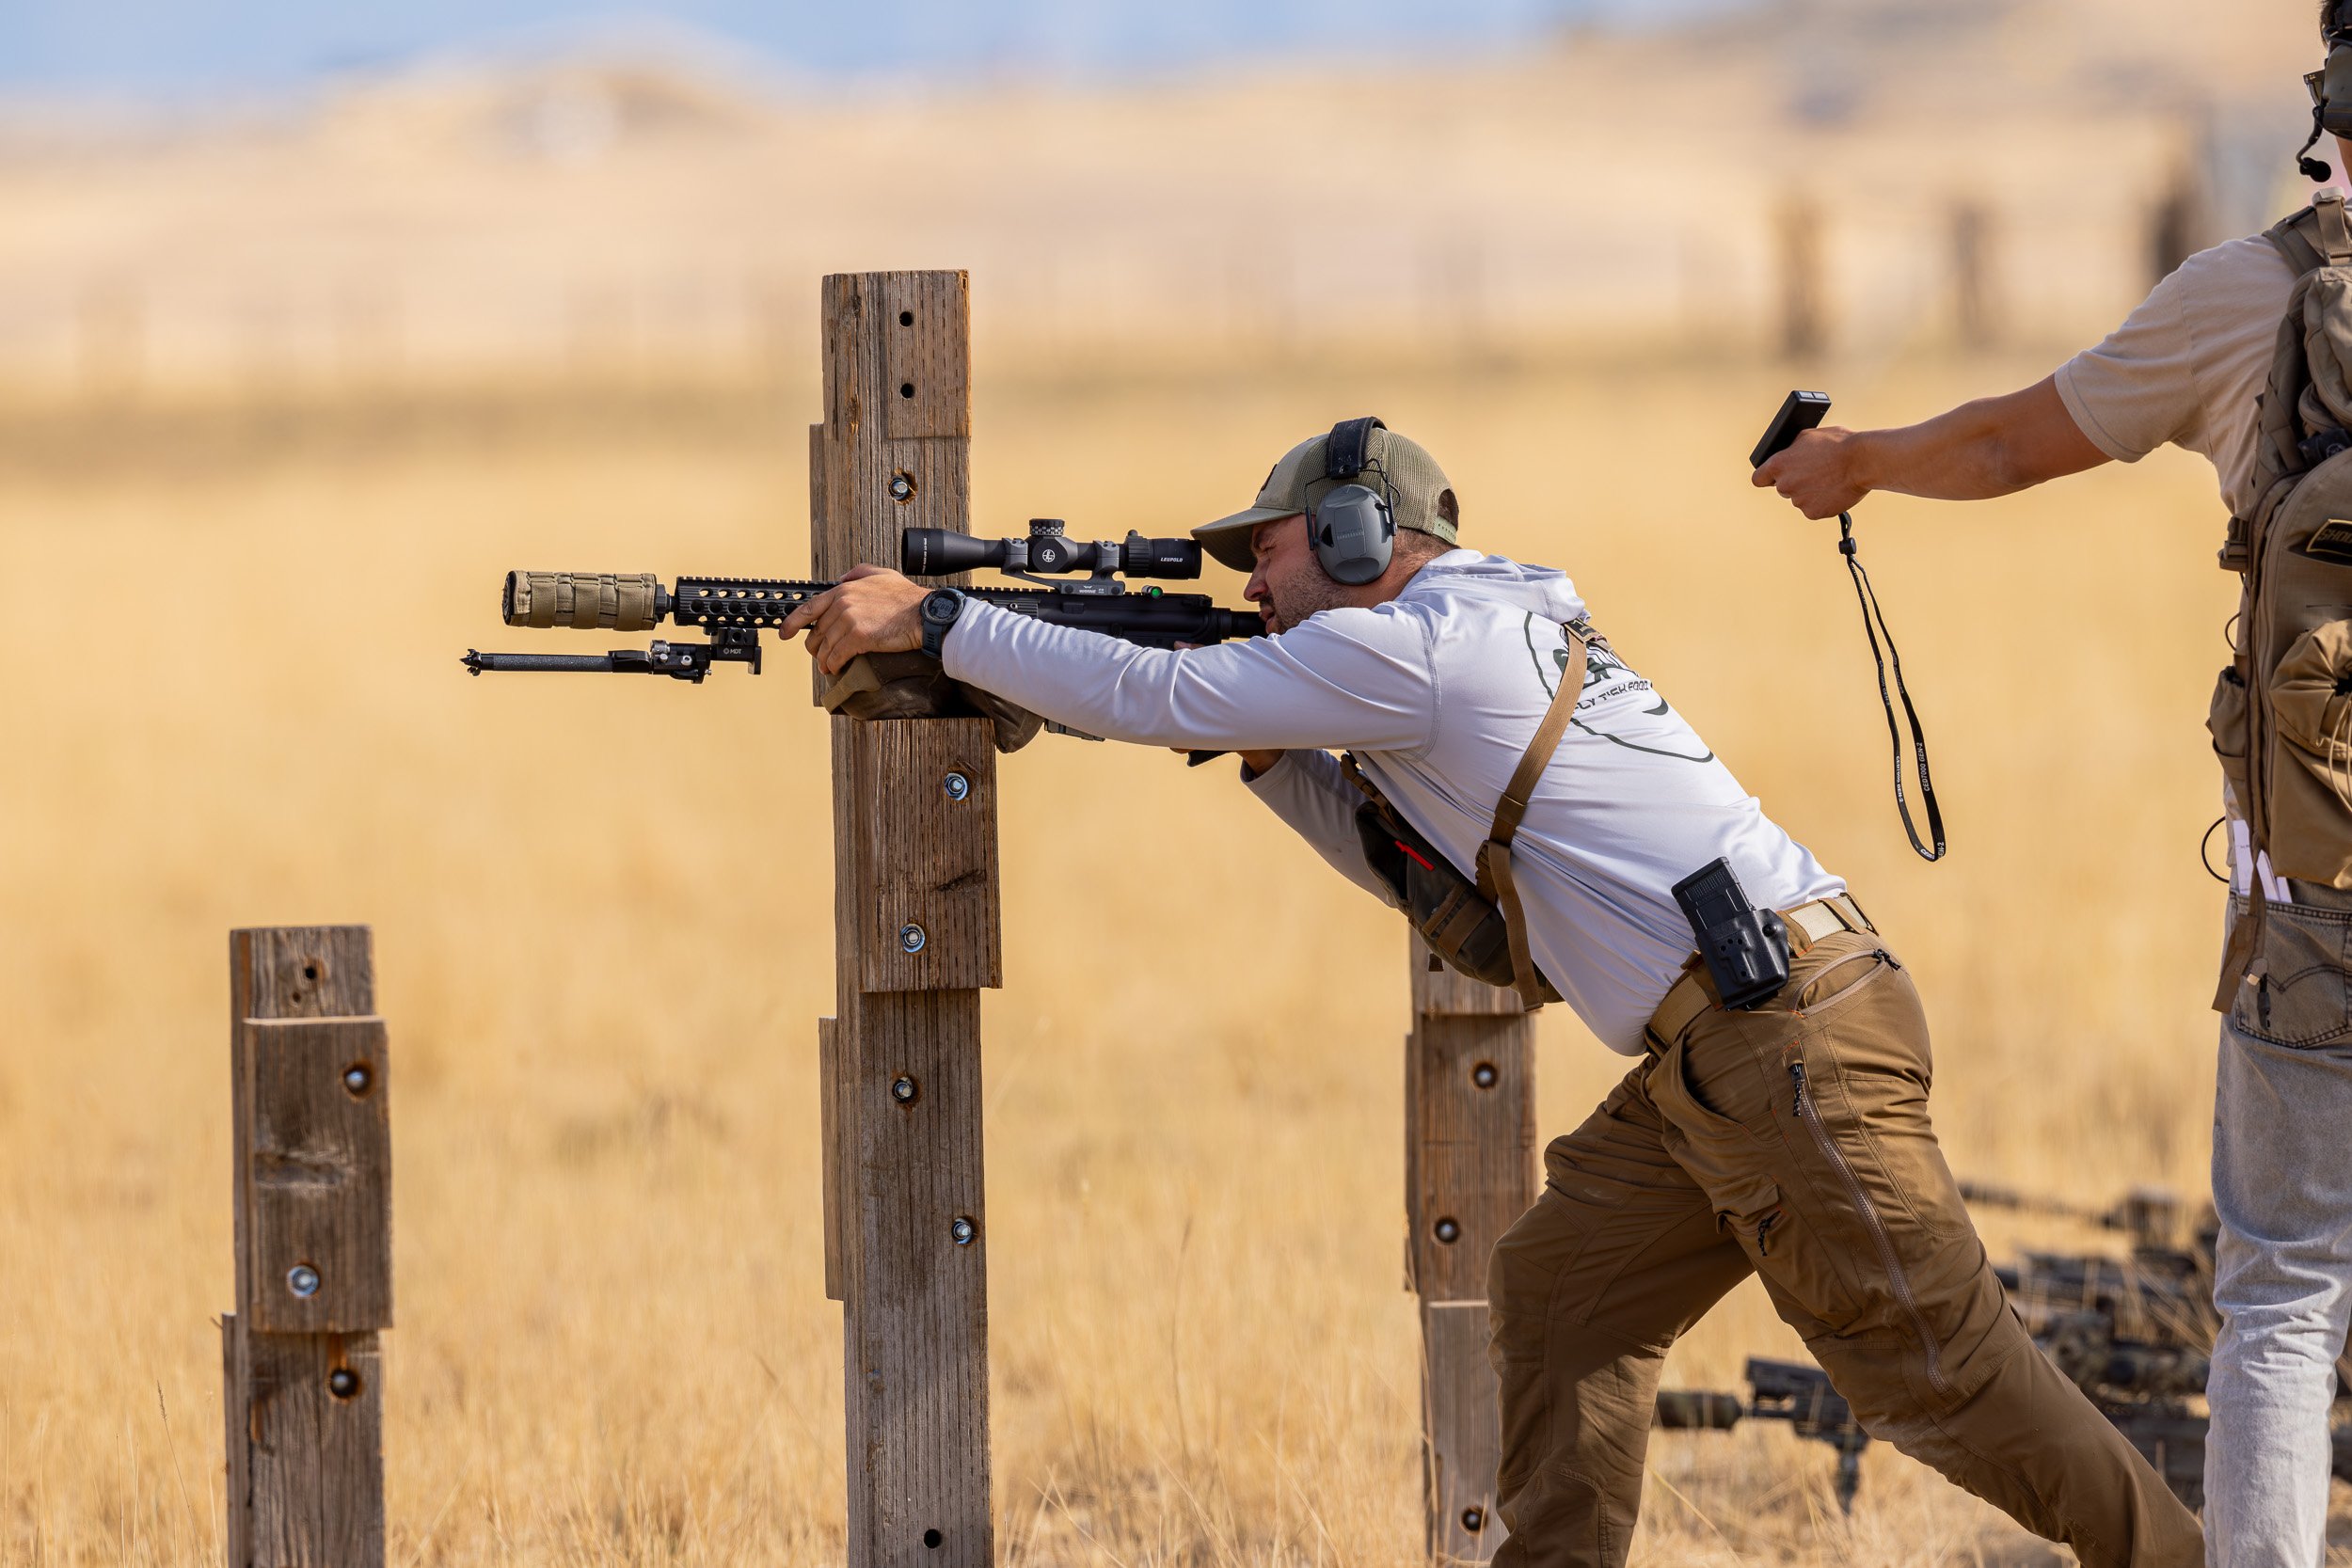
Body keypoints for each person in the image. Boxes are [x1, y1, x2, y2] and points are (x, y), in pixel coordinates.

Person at [781, 418, 2201, 1565]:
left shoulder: (1410, 647)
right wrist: (1267, 754)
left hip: (1779, 1046)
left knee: (1940, 1373)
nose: (1248, 586)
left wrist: (945, 619)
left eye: (1265, 553)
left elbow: (1159, 699)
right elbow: (1445, 902)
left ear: (1354, 536)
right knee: (1566, 1291)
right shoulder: (1474, 627)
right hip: (1737, 1038)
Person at [1754, 10, 2352, 1559]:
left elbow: (2017, 444)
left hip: (2321, 898)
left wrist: (1862, 461)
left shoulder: (2253, 301)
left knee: (2284, 1289)